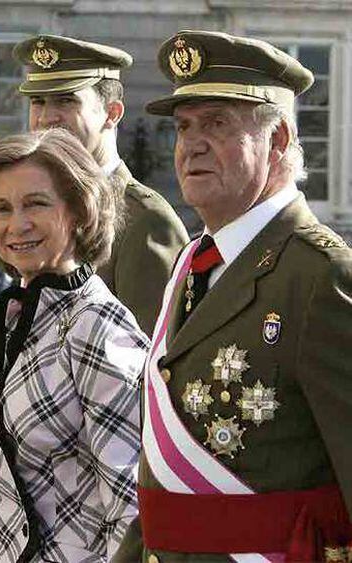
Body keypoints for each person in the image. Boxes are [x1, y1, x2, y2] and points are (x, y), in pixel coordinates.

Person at [113, 31, 352, 563]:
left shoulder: (321, 276)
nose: (191, 143)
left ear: (279, 140)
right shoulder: (192, 264)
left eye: (218, 123)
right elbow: (165, 488)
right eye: (184, 126)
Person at [0, 127, 149, 562]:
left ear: (79, 212)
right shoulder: (26, 315)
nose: (16, 224)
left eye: (36, 203)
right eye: (1, 209)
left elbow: (132, 508)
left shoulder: (98, 326)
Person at [13, 33, 189, 337]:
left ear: (112, 113)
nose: (45, 117)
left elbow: (150, 363)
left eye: (66, 100)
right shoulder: (41, 208)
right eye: (37, 101)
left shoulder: (145, 220)